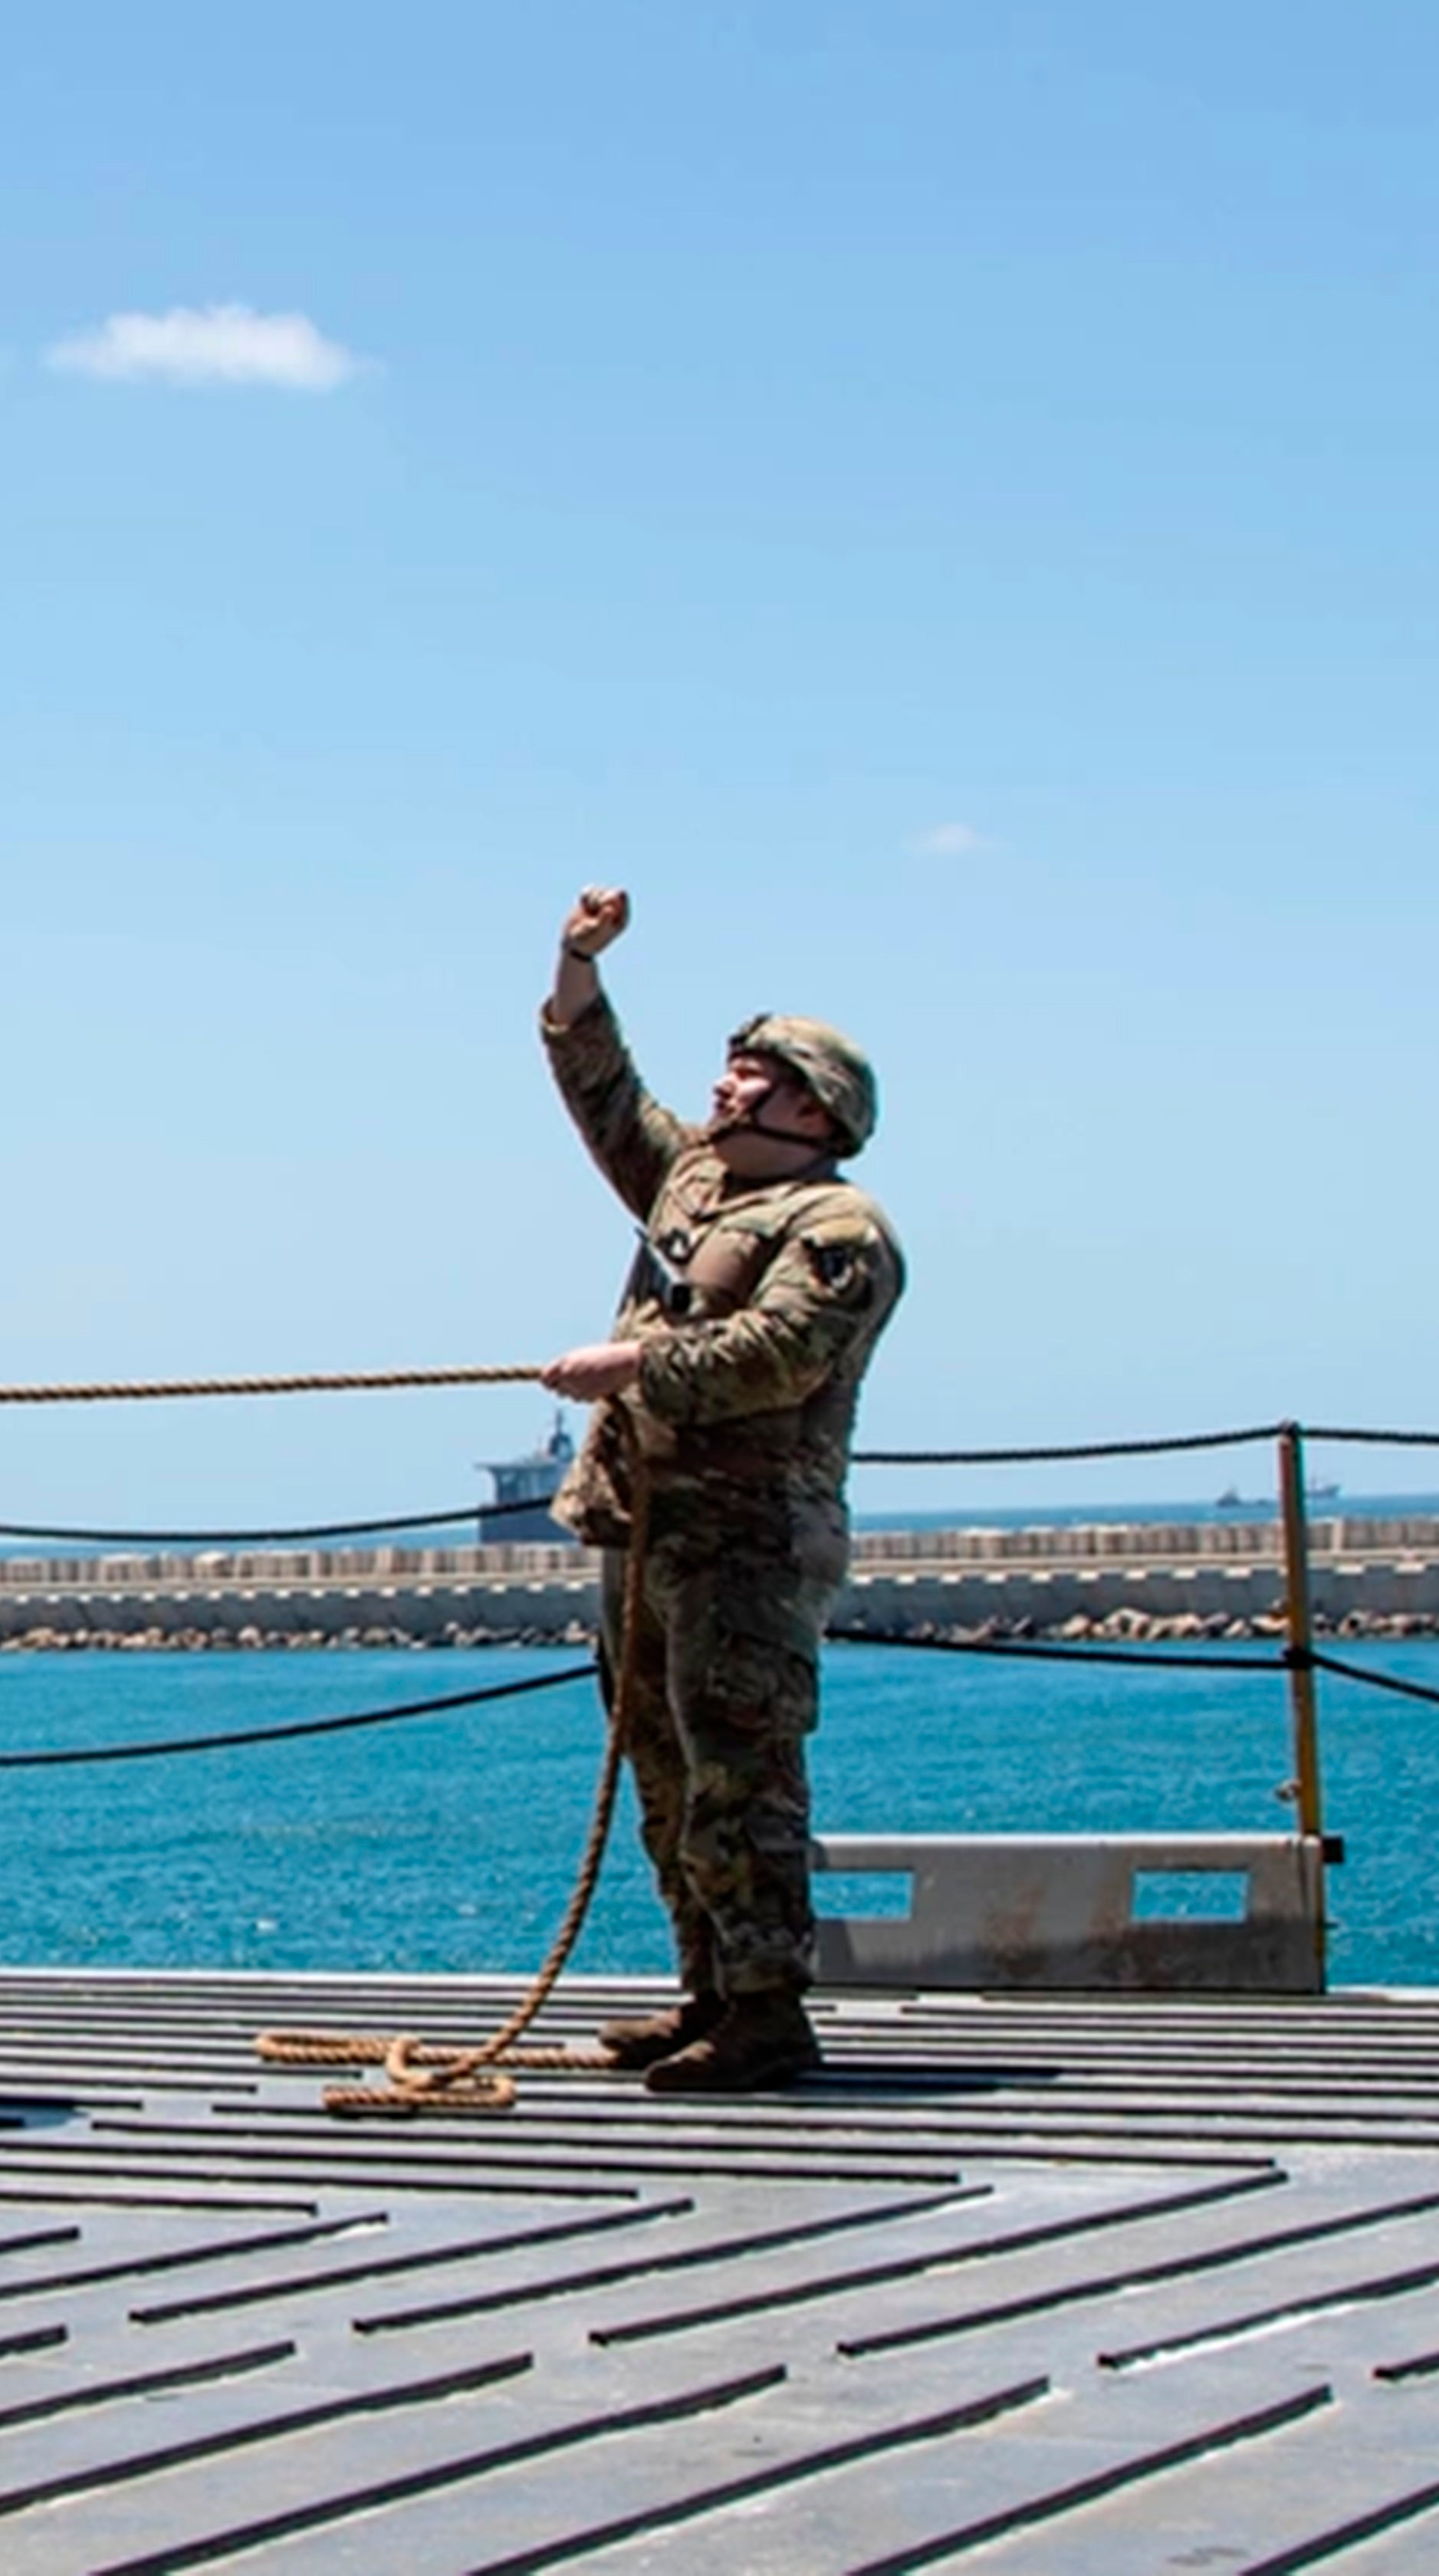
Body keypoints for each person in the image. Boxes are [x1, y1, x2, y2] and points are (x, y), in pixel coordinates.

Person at [537, 887, 902, 2095]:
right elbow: (603, 1093)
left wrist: (634, 1363)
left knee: (742, 1773)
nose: (727, 1085)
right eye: (732, 1068)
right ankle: (706, 1989)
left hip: (746, 1540)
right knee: (662, 1770)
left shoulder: (839, 1227)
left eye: (754, 1073)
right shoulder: (693, 1185)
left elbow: (777, 1357)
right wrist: (577, 964)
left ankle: (768, 2012)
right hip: (646, 1527)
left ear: (816, 1106)